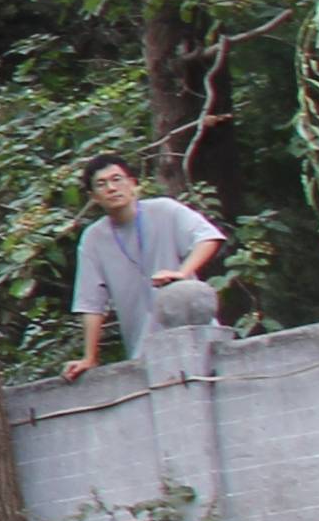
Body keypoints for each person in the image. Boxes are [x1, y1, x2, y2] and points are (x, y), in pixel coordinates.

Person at [67, 154, 231, 380]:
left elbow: (208, 237)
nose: (112, 188)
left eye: (117, 179)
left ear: (134, 183)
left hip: (195, 336)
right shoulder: (94, 239)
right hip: (145, 351)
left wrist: (181, 273)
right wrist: (90, 357)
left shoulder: (164, 210)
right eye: (101, 184)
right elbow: (91, 303)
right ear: (93, 196)